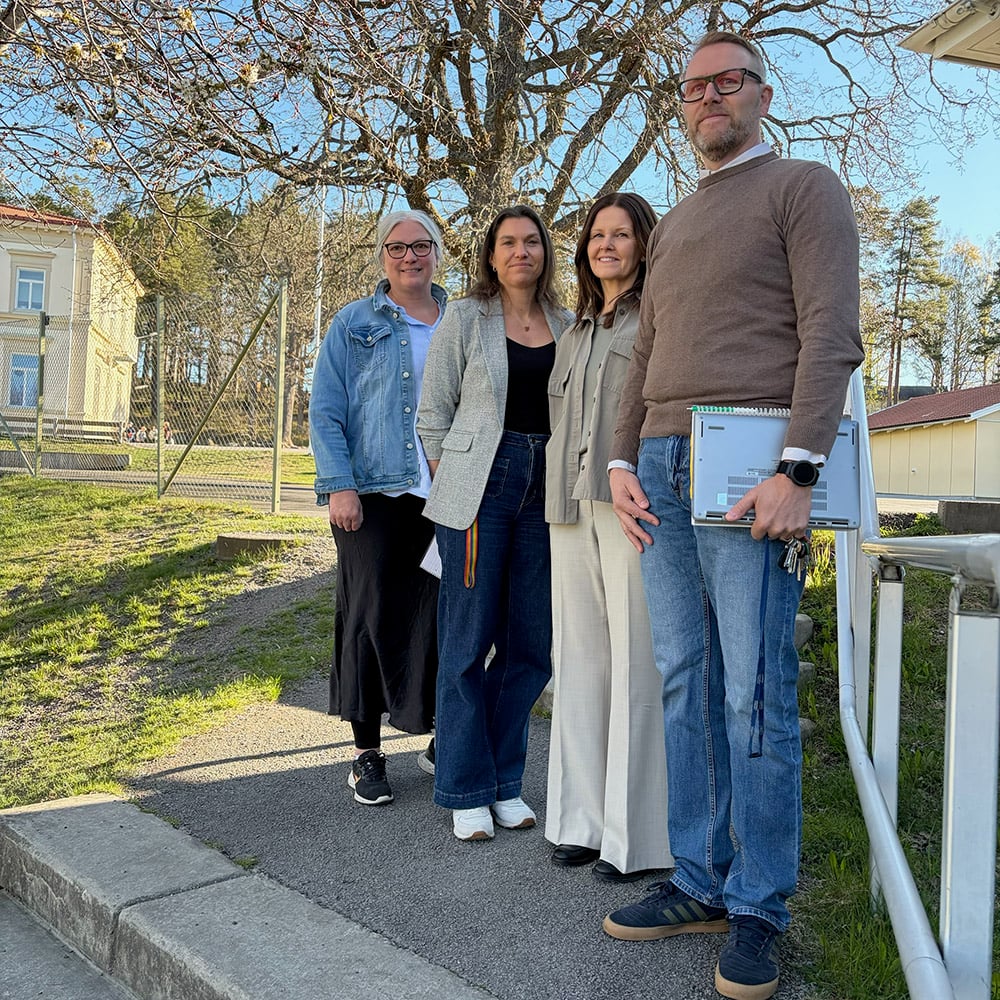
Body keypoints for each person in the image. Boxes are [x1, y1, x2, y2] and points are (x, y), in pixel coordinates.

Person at [603, 32, 864, 1000]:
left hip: (748, 470)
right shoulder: (671, 221)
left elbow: (830, 332)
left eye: (727, 82)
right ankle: (699, 878)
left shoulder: (804, 186)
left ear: (760, 93)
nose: (708, 98)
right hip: (663, 472)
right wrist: (622, 459)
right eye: (692, 88)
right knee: (684, 678)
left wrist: (799, 466)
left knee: (754, 695)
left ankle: (758, 904)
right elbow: (643, 354)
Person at [417, 205, 569, 842]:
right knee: (466, 640)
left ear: (545, 252)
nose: (520, 252)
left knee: (530, 644)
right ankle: (465, 786)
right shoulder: (463, 317)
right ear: (489, 253)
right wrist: (456, 480)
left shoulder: (569, 322)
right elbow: (433, 414)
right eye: (507, 242)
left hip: (547, 485)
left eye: (531, 241)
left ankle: (507, 781)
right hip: (482, 486)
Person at [543, 192, 672, 883]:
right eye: (598, 234)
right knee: (582, 663)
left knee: (634, 665)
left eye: (622, 235)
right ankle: (579, 823)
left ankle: (636, 839)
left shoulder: (658, 316)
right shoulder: (577, 327)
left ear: (644, 245)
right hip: (568, 510)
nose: (607, 244)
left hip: (632, 508)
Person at [309, 209, 446, 807]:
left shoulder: (461, 320)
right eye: (397, 247)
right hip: (370, 496)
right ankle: (366, 754)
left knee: (438, 616)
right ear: (382, 256)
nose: (409, 256)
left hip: (442, 496)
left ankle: (441, 738)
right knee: (366, 617)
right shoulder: (354, 321)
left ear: (439, 252)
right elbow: (326, 409)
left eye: (421, 246)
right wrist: (338, 484)